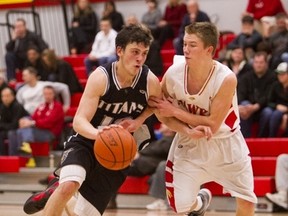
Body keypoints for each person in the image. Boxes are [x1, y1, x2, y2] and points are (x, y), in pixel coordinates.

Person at [23, 23, 210, 216]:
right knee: (68, 185)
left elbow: (160, 111)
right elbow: (79, 121)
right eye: (135, 51)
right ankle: (62, 190)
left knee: (81, 213)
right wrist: (99, 134)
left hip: (119, 153)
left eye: (144, 53)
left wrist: (180, 129)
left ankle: (60, 195)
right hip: (86, 140)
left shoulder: (149, 81)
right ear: (119, 50)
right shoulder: (101, 77)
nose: (140, 58)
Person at [148, 22, 257, 215]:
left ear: (209, 50)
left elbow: (212, 124)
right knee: (180, 206)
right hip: (190, 142)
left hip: (226, 144)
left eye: (192, 45)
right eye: (184, 44)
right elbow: (159, 109)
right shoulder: (174, 74)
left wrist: (174, 111)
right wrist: (186, 130)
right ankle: (201, 203)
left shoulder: (226, 78)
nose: (186, 50)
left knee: (247, 203)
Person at [8, 85, 65, 167]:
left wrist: (31, 123)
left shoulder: (57, 106)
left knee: (26, 129)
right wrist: (24, 120)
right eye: (45, 94)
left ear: (54, 95)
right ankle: (13, 158)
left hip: (50, 133)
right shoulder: (41, 106)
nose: (47, 96)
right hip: (38, 130)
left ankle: (26, 146)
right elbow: (33, 117)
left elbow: (48, 122)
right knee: (13, 133)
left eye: (49, 94)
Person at [237, 51, 277, 138]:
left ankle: (261, 139)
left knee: (268, 112)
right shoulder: (246, 77)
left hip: (263, 107)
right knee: (243, 105)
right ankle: (245, 139)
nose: (258, 65)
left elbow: (269, 96)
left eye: (261, 62)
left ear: (266, 63)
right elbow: (240, 94)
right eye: (256, 62)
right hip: (248, 108)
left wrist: (255, 106)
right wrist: (240, 106)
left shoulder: (273, 77)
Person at [258, 62, 288, 137]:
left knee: (276, 114)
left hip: (284, 112)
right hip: (275, 109)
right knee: (266, 112)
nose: (280, 76)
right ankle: (261, 137)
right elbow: (268, 101)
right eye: (278, 74)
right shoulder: (275, 85)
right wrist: (276, 106)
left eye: (283, 74)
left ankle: (272, 138)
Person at [0, 87, 28, 155]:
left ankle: (13, 156)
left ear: (13, 96)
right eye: (3, 96)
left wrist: (3, 126)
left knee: (11, 133)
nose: (5, 98)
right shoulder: (2, 107)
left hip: (21, 130)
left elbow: (15, 125)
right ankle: (2, 156)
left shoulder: (18, 106)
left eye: (7, 96)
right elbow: (2, 123)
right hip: (9, 129)